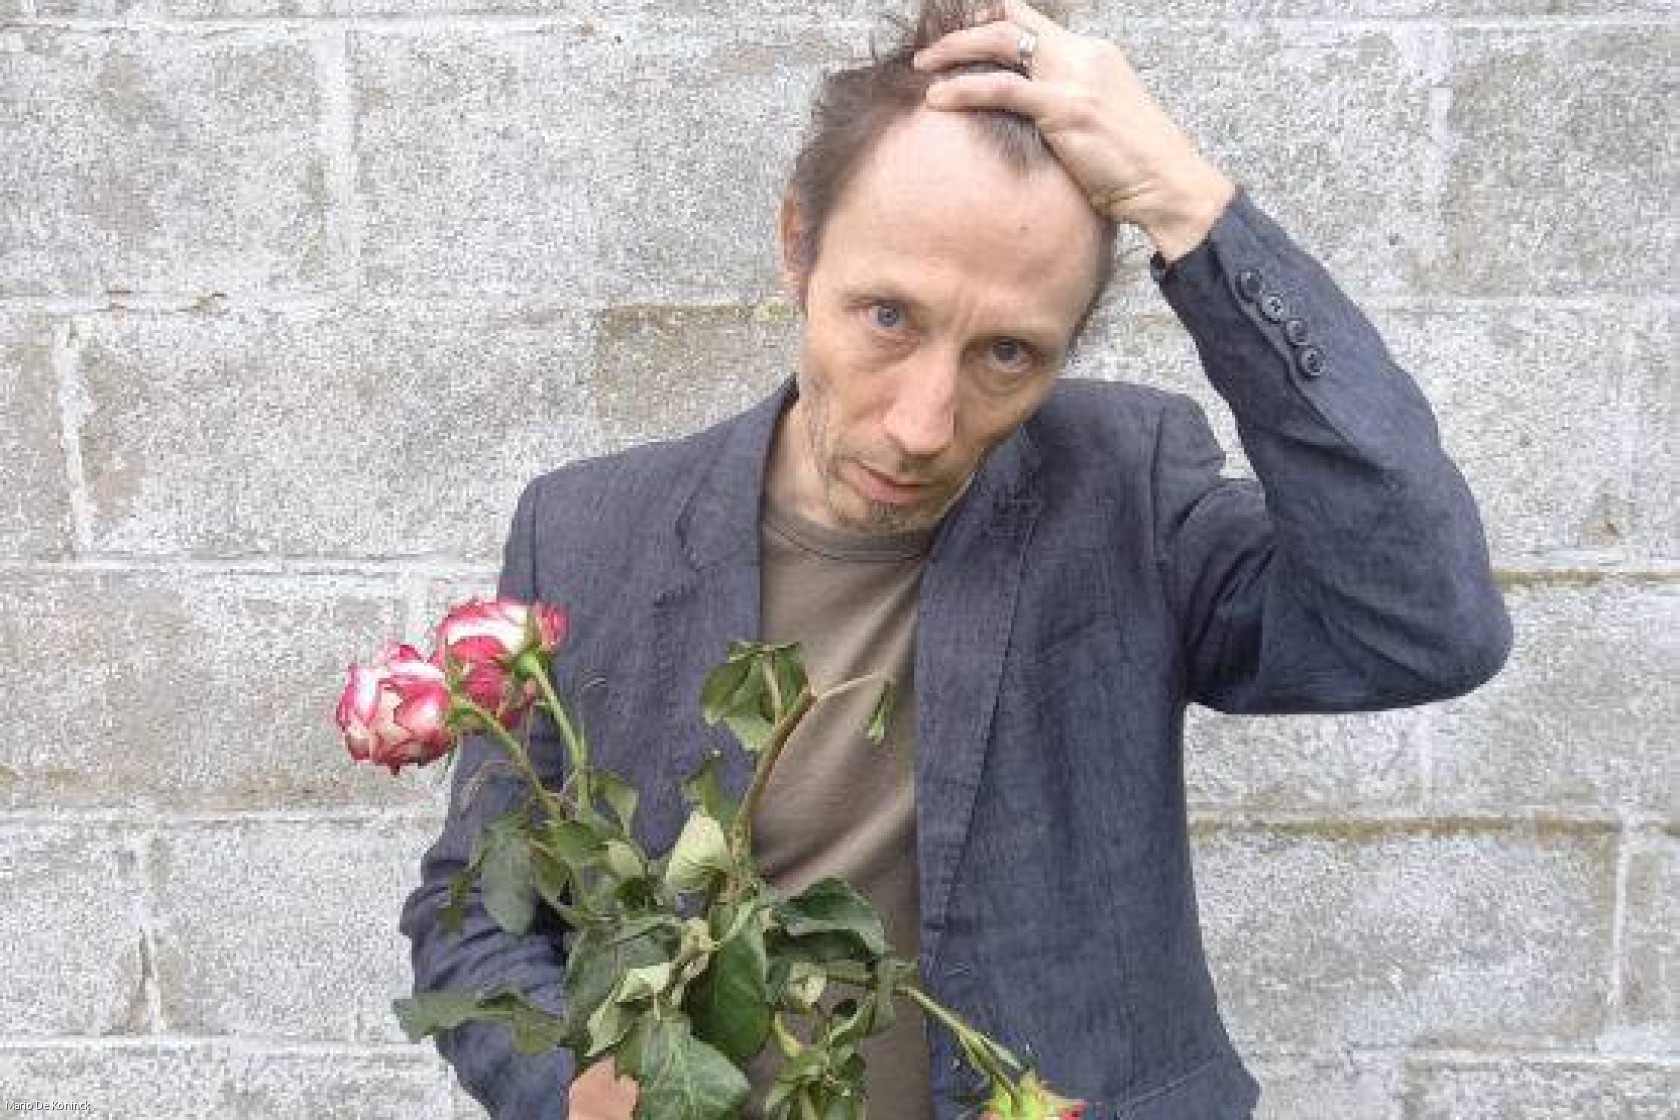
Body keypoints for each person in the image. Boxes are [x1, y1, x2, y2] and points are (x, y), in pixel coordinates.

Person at [398, 1, 1514, 1117]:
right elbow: (476, 914)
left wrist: (1190, 204)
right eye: (888, 317)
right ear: (797, 246)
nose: (924, 424)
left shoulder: (1131, 487)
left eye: (1008, 353)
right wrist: (567, 1090)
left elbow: (1424, 622)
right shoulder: (585, 530)